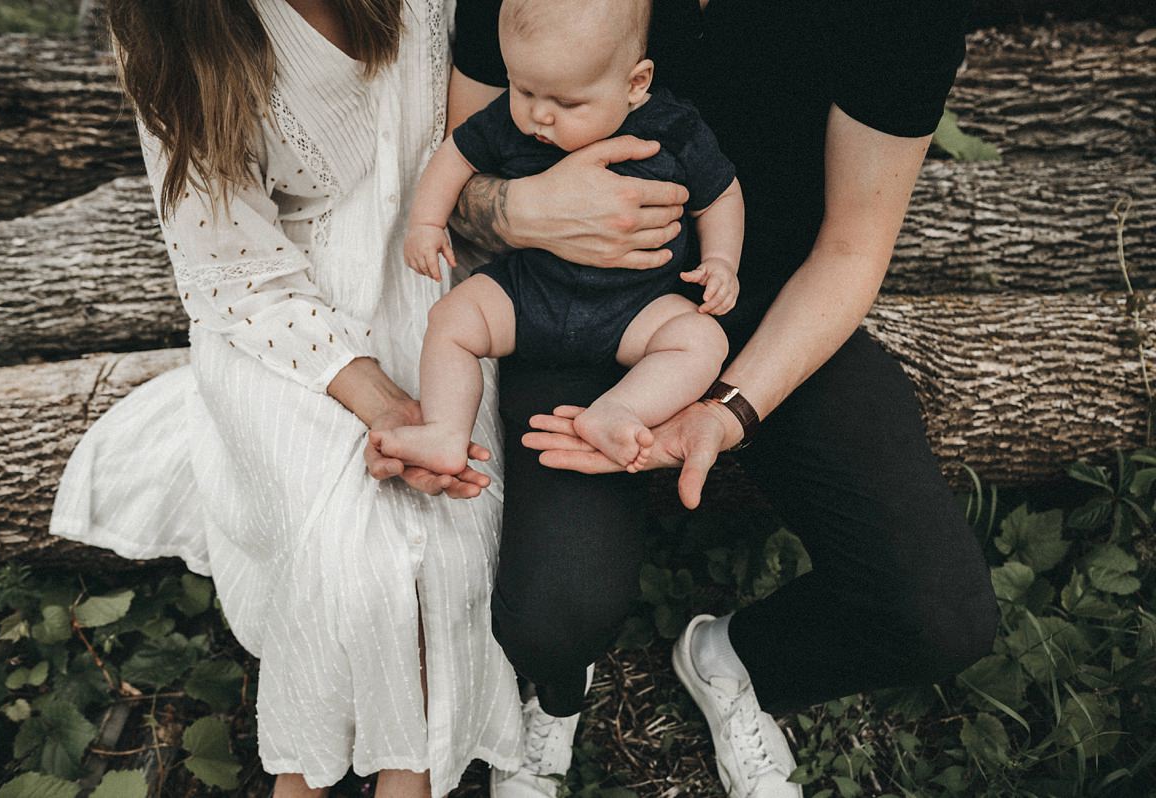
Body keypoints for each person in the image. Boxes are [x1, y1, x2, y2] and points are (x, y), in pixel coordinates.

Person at [420, 0, 1001, 795]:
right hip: (562, 294)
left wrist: (729, 406)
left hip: (759, 304)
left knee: (938, 615)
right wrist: (525, 212)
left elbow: (851, 249)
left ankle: (733, 660)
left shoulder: (897, 15)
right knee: (554, 615)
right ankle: (557, 690)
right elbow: (464, 172)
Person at [48, 1, 524, 796]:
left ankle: (399, 782)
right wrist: (384, 406)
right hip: (280, 315)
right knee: (355, 562)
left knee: (434, 551)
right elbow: (234, 270)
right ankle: (307, 781)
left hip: (436, 287)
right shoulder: (172, 28)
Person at [378, 0, 741, 478]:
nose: (539, 117)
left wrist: (720, 260)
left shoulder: (674, 127)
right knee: (451, 320)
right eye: (523, 89)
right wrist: (426, 223)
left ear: (636, 83)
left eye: (567, 103)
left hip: (635, 309)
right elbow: (456, 155)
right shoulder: (510, 120)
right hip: (527, 293)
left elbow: (718, 195)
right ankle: (445, 430)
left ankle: (619, 409)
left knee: (701, 340)